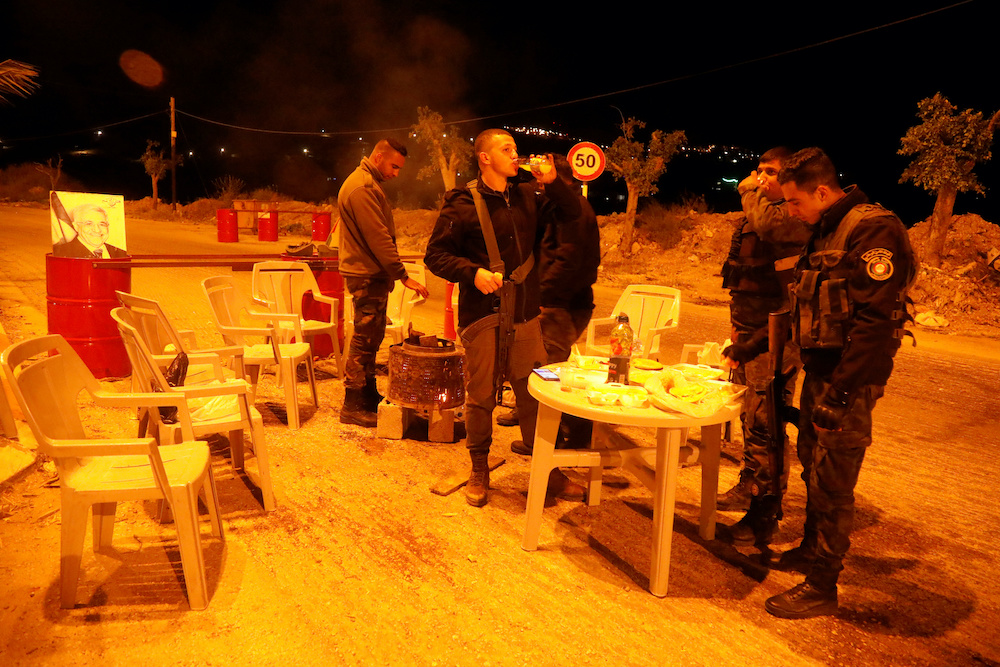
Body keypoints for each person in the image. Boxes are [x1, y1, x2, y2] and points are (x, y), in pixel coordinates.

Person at [728, 147, 916, 619]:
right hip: (822, 372)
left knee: (834, 483)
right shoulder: (825, 229)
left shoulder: (874, 230)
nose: (789, 212)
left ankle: (823, 586)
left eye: (793, 202)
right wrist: (754, 344)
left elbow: (876, 323)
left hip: (848, 379)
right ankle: (812, 551)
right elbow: (800, 302)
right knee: (814, 468)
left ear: (822, 191)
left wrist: (843, 392)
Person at [424, 129, 587, 507]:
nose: (516, 155)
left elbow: (572, 212)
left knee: (536, 395)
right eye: (506, 149)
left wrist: (555, 182)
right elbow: (435, 255)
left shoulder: (530, 194)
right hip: (482, 315)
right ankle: (478, 468)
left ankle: (548, 473)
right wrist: (472, 272)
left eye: (515, 148)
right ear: (484, 158)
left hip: (526, 313)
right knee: (480, 397)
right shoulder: (462, 203)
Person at [718, 147, 810, 547]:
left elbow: (770, 227)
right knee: (751, 419)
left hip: (775, 339)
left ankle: (765, 514)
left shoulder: (789, 218)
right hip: (748, 332)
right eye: (757, 170)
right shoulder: (759, 217)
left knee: (765, 423)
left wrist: (749, 191)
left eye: (770, 172)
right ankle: (750, 486)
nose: (760, 178)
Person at [509, 153, 601, 455]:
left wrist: (544, 298)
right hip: (561, 302)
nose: (537, 187)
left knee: (549, 371)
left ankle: (561, 439)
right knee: (541, 367)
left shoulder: (573, 211)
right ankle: (537, 422)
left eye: (542, 181)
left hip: (562, 306)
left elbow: (566, 262)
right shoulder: (561, 208)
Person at [337, 138, 429, 427]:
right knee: (364, 338)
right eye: (394, 166)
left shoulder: (368, 184)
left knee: (373, 336)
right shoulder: (362, 187)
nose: (396, 173)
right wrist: (402, 275)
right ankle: (352, 404)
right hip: (365, 274)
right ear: (378, 157)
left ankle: (367, 395)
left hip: (371, 273)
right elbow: (378, 238)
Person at [52, 203, 128, 258]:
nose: (97, 230)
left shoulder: (120, 254)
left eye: (102, 224)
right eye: (89, 224)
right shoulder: (62, 254)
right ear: (76, 226)